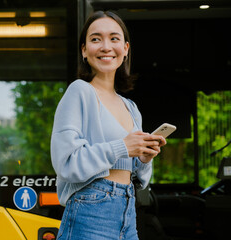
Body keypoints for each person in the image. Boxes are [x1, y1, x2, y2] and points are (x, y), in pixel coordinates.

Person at [50, 10, 167, 240]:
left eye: (114, 38)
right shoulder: (79, 92)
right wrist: (123, 147)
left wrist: (144, 159)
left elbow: (136, 176)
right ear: (84, 50)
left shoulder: (131, 107)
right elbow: (66, 162)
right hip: (91, 208)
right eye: (95, 39)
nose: (105, 46)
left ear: (125, 49)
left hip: (127, 210)